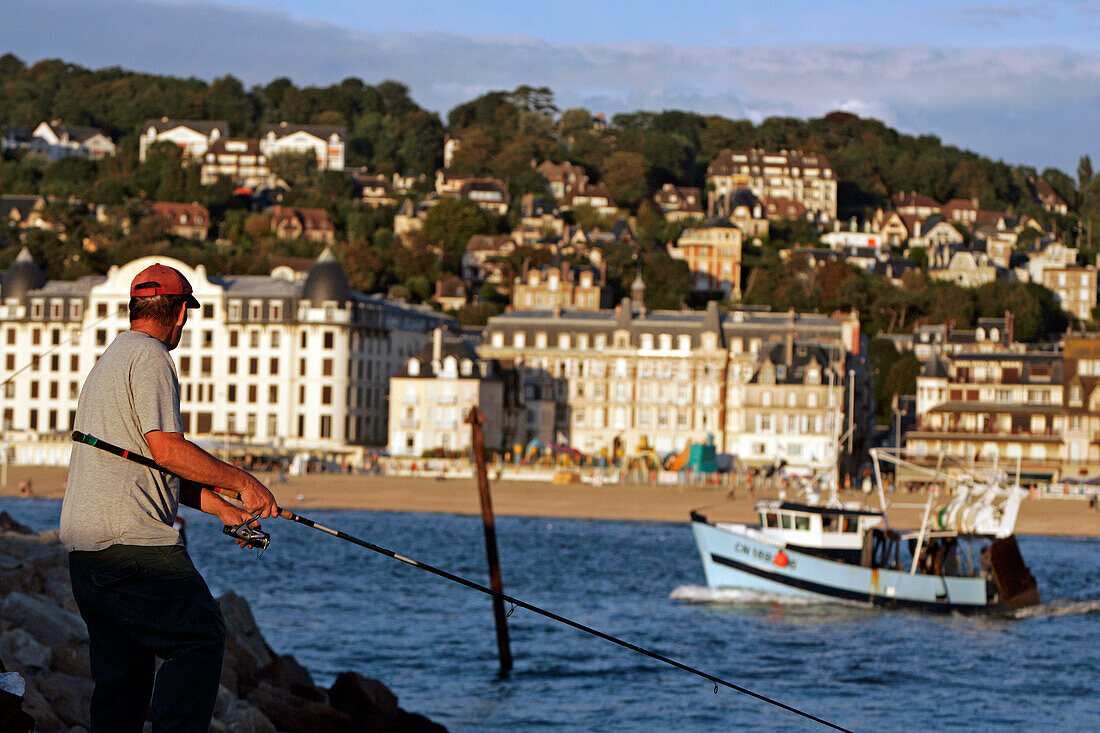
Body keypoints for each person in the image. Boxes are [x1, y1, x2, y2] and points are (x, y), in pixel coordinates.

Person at [60, 263, 279, 733]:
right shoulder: (153, 357)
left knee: (124, 680)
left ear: (134, 307)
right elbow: (167, 449)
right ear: (179, 313)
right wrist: (244, 481)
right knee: (201, 637)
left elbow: (142, 462)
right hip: (133, 547)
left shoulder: (111, 359)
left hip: (86, 552)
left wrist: (224, 509)